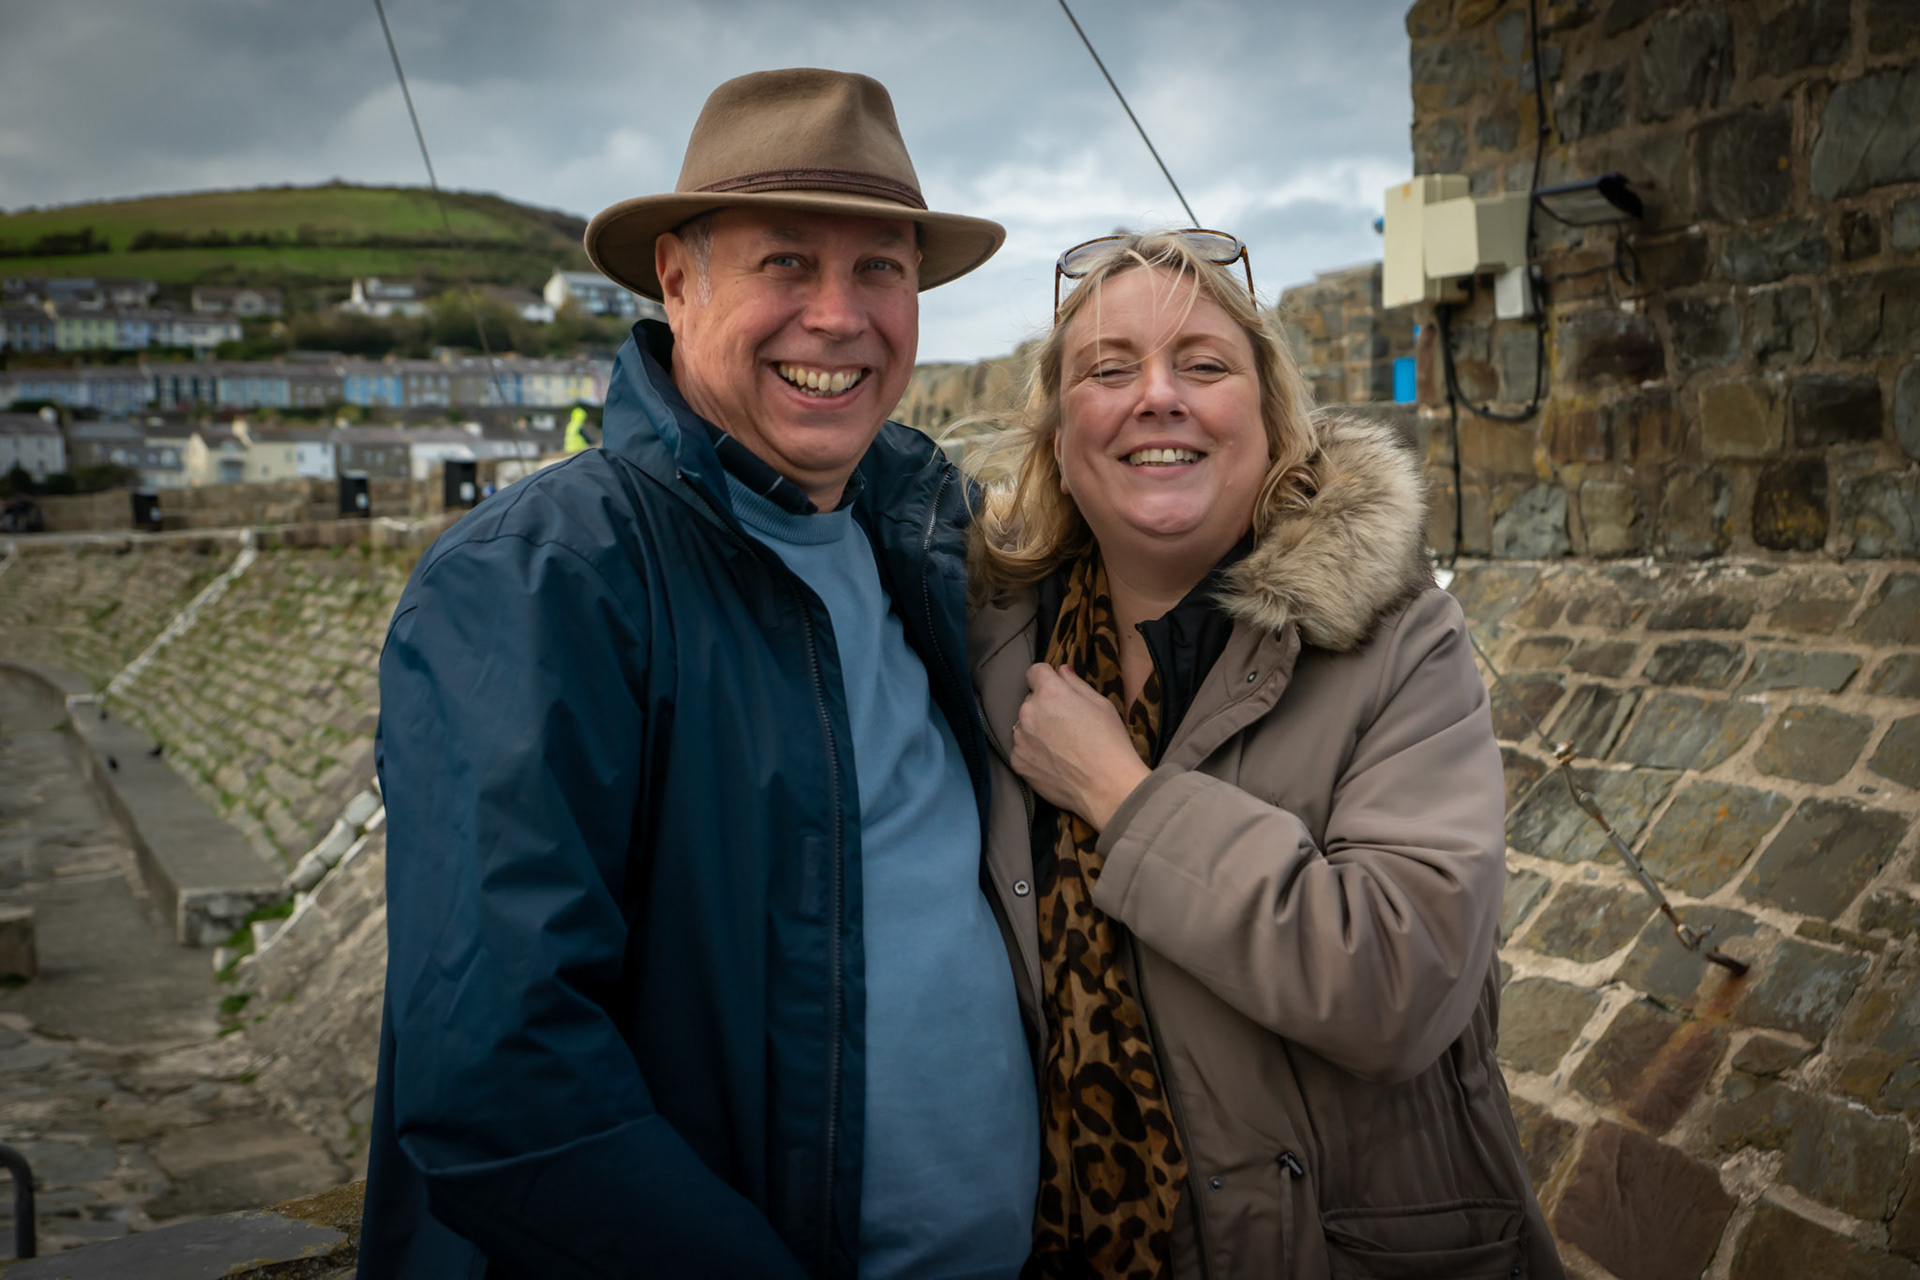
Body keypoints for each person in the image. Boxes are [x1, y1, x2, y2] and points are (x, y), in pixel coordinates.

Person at [358, 69, 1038, 1280]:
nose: (838, 316)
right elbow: (499, 1075)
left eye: (880, 267)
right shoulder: (535, 580)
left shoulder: (928, 539)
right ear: (678, 278)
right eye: (786, 262)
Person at [967, 231, 1564, 1279]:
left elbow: (1399, 977)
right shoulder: (991, 649)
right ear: (1059, 438)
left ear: (1273, 419)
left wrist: (1126, 796)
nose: (1158, 395)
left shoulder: (1398, 640)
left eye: (1203, 364)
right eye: (1108, 370)